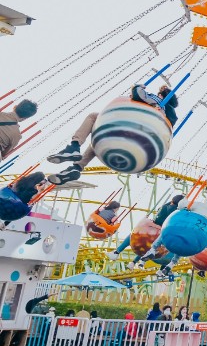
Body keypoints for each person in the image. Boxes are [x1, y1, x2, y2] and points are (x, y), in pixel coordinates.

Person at [47, 85, 179, 185]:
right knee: (102, 141)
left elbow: (137, 94)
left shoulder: (158, 101)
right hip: (145, 145)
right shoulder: (170, 116)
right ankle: (76, 167)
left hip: (130, 125)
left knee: (94, 118)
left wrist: (140, 86)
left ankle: (74, 147)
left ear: (161, 95)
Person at [108, 194, 184, 265]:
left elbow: (163, 211)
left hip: (153, 232)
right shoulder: (178, 213)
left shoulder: (165, 208)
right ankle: (139, 262)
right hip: (162, 242)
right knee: (148, 246)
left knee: (136, 235)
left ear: (172, 201)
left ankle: (117, 252)